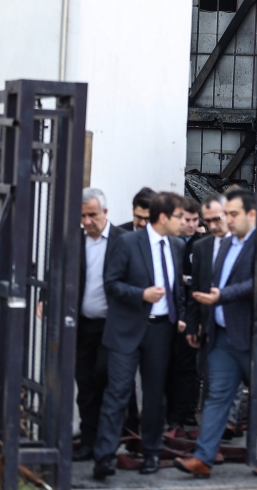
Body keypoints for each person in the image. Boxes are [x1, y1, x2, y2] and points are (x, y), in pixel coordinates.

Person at [174, 188, 257, 480]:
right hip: (224, 337)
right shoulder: (225, 244)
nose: (227, 220)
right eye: (226, 214)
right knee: (217, 396)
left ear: (251, 214)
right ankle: (203, 457)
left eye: (233, 214)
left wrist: (222, 296)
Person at [92, 192, 186, 479]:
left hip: (161, 331)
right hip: (126, 330)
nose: (183, 222)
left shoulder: (178, 246)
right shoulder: (128, 242)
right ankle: (104, 456)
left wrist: (180, 316)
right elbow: (111, 284)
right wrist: (141, 294)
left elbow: (177, 288)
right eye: (179, 217)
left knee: (155, 395)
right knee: (118, 392)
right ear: (163, 218)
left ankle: (152, 452)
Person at [73, 189, 125, 462]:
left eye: (92, 215)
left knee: (105, 379)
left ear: (105, 212)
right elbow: (58, 273)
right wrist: (46, 299)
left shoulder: (122, 241)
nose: (87, 221)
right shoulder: (74, 241)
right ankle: (88, 442)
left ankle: (108, 443)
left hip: (111, 326)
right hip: (82, 326)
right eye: (83, 216)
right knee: (85, 386)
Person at [166, 198, 205, 430]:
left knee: (189, 366)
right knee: (169, 364)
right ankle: (171, 413)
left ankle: (187, 413)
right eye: (186, 220)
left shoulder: (202, 244)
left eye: (194, 220)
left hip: (192, 310)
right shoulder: (168, 241)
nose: (190, 225)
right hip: (170, 311)